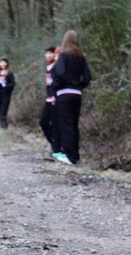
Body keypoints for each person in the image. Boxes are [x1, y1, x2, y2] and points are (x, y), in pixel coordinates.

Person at [52, 30, 92, 165]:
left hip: (64, 94)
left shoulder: (63, 55)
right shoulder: (81, 57)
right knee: (74, 124)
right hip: (77, 94)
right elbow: (88, 77)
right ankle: (75, 154)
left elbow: (60, 73)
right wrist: (79, 86)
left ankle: (69, 156)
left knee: (66, 125)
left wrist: (58, 85)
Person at [41, 46, 58, 153]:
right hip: (48, 99)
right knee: (43, 122)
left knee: (55, 124)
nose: (48, 55)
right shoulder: (48, 66)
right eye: (46, 53)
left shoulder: (57, 67)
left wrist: (55, 96)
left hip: (55, 99)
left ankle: (56, 147)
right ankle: (53, 142)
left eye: (50, 53)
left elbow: (57, 83)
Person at [0, 58, 15, 129]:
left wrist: (5, 86)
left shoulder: (9, 73)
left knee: (4, 109)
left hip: (6, 93)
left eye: (4, 63)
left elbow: (12, 84)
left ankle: (3, 125)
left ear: (7, 64)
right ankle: (0, 123)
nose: (3, 64)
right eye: (1, 63)